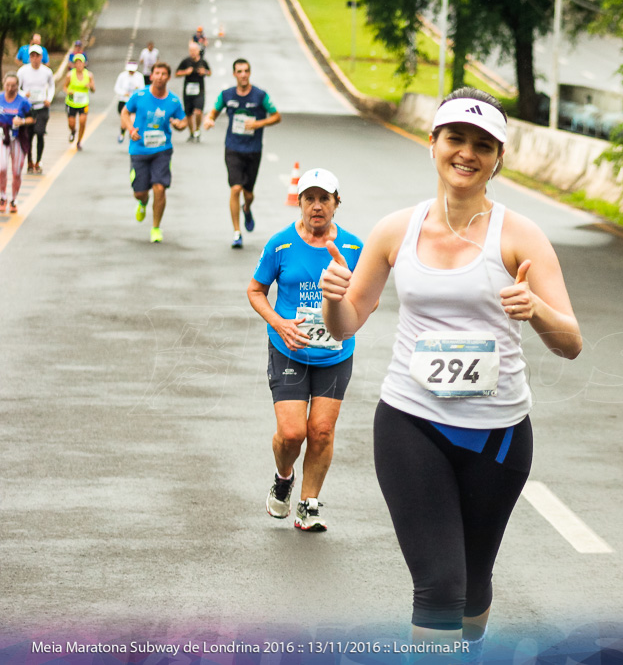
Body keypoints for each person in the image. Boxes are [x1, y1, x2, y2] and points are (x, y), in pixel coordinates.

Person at [319, 88, 582, 649]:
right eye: (455, 138)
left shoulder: (520, 236)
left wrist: (534, 311)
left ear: (498, 159)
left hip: (499, 436)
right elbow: (345, 325)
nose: (467, 153)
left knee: (474, 586)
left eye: (482, 145)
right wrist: (332, 297)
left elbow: (571, 342)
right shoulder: (396, 230)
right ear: (432, 144)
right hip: (410, 422)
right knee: (439, 586)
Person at [246, 168, 365, 533]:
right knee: (293, 433)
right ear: (299, 203)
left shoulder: (355, 248)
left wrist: (348, 317)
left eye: (324, 199)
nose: (316, 206)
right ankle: (284, 478)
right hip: (290, 348)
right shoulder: (280, 245)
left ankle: (308, 505)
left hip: (335, 352)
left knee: (322, 431)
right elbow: (255, 290)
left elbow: (367, 299)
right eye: (309, 199)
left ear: (336, 204)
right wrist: (279, 324)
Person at [203, 58, 281, 248]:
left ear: (250, 73)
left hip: (253, 149)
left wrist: (258, 123)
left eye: (246, 71)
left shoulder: (260, 95)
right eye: (239, 71)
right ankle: (237, 232)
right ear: (234, 74)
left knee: (248, 193)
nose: (243, 74)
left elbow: (277, 116)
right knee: (235, 188)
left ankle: (247, 208)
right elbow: (213, 111)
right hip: (233, 148)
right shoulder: (227, 95)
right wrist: (209, 119)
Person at [120, 62, 188, 243]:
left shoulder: (173, 101)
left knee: (160, 188)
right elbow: (124, 112)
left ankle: (156, 227)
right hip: (139, 149)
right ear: (151, 76)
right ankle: (142, 202)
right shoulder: (139, 95)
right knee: (140, 192)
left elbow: (183, 121)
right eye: (156, 73)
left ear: (168, 77)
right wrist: (130, 129)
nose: (159, 77)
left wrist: (178, 125)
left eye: (163, 74)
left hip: (162, 150)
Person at [16, 45, 54, 174]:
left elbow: (52, 86)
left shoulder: (47, 72)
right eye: (32, 56)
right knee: (28, 135)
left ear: (41, 57)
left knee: (40, 132)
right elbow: (18, 88)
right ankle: (29, 161)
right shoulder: (22, 71)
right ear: (29, 57)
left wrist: (49, 98)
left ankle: (38, 161)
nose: (35, 58)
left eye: (37, 56)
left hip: (42, 107)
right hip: (28, 107)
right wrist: (23, 94)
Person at [0, 73, 34, 213]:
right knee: (1, 168)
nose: (10, 88)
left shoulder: (23, 101)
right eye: (7, 85)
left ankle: (14, 199)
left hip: (18, 138)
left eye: (13, 85)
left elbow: (33, 118)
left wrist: (22, 122)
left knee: (17, 172)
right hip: (2, 138)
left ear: (17, 86)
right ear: (3, 84)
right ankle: (2, 197)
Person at [175, 42, 211, 142]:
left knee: (198, 111)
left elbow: (209, 72)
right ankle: (191, 133)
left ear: (198, 51)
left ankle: (198, 130)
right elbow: (176, 73)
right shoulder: (186, 61)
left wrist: (205, 72)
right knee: (189, 114)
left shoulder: (203, 62)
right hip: (188, 91)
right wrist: (185, 72)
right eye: (191, 51)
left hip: (199, 91)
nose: (192, 53)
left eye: (194, 50)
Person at [64, 54, 94, 151]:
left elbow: (93, 89)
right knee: (71, 123)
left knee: (82, 121)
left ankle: (79, 141)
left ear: (84, 64)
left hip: (83, 102)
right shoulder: (70, 75)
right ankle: (73, 131)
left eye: (80, 62)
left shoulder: (89, 75)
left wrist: (90, 86)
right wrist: (69, 91)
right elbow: (64, 87)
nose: (78, 64)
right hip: (71, 102)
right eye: (76, 62)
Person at [114, 61, 146, 144]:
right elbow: (117, 88)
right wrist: (124, 93)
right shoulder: (122, 76)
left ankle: (131, 135)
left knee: (132, 120)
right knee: (124, 123)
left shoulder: (139, 76)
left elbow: (142, 89)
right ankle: (122, 132)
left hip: (134, 103)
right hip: (124, 101)